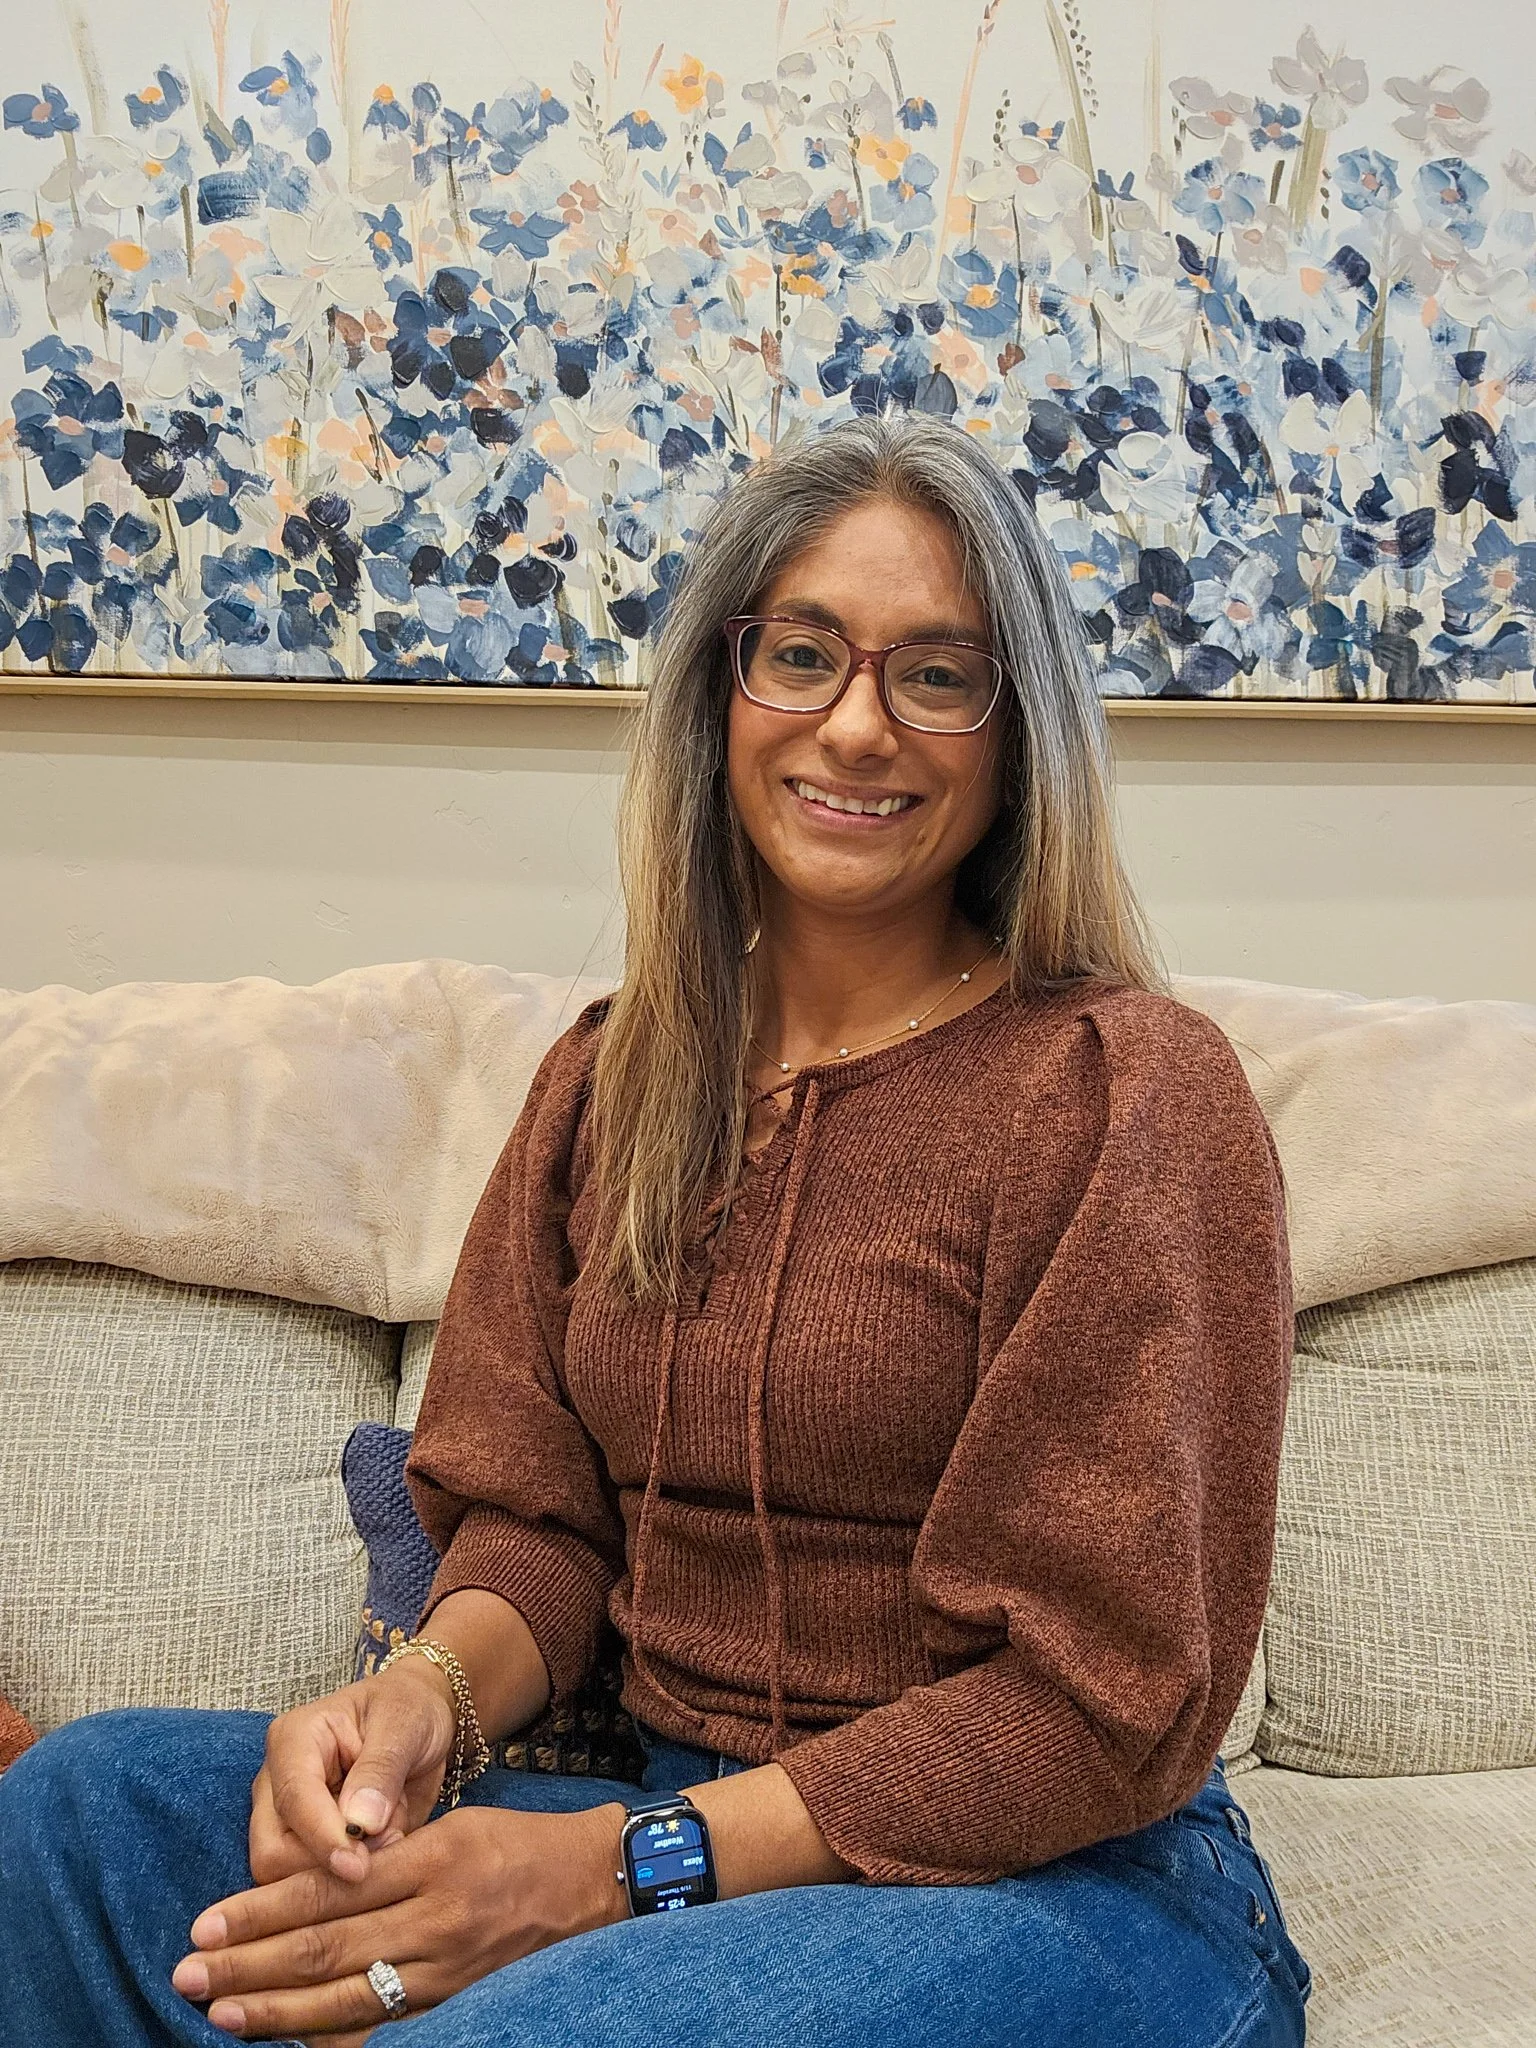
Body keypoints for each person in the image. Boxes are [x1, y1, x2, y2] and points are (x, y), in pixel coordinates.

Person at [0, 412, 1310, 2047]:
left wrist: (600, 1875)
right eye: (804, 655)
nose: (856, 726)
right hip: (657, 1794)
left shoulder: (1124, 1095)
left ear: (1016, 729)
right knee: (76, 1815)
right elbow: (537, 1529)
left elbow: (1087, 1711)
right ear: (720, 691)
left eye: (937, 674)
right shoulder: (610, 1084)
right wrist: (422, 1703)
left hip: (1052, 1885)